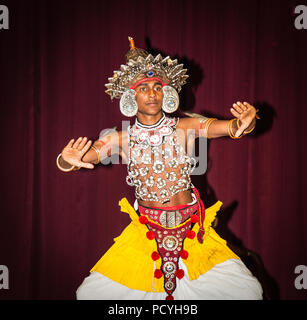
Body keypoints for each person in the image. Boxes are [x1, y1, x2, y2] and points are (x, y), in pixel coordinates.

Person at [56, 37, 263, 300]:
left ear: (167, 93)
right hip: (145, 233)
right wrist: (67, 160)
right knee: (89, 294)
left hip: (191, 232)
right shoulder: (119, 138)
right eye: (144, 88)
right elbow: (90, 155)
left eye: (157, 87)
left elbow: (228, 128)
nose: (152, 93)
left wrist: (245, 122)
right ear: (131, 96)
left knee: (249, 292)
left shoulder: (186, 127)